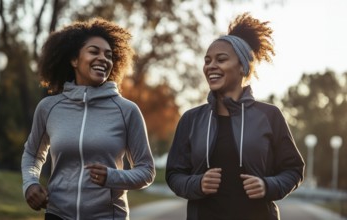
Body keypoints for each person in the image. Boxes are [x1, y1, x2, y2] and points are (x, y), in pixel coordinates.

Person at [165, 13, 304, 220]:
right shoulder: (191, 119)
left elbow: (293, 169)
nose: (211, 66)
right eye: (207, 61)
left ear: (242, 67)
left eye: (221, 59)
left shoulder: (269, 115)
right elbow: (174, 174)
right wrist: (197, 184)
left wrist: (267, 185)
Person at [21, 17, 155, 220]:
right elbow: (32, 153)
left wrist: (113, 177)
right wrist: (30, 183)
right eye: (94, 51)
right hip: (58, 214)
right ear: (74, 60)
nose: (104, 58)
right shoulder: (49, 108)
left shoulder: (126, 110)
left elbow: (146, 171)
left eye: (109, 55)